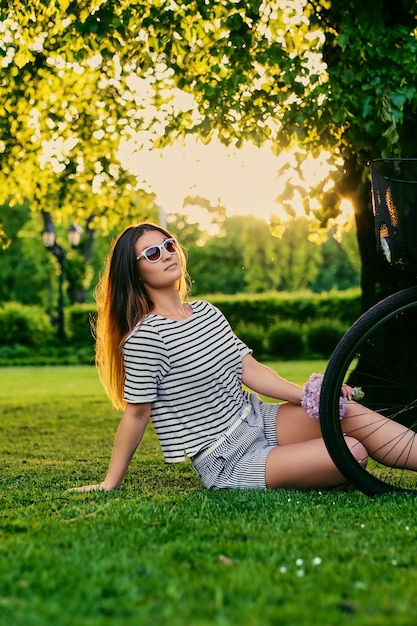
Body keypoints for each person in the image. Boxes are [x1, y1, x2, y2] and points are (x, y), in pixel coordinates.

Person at [70, 222, 417, 493]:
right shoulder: (145, 338)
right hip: (227, 457)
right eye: (152, 254)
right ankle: (314, 469)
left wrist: (312, 396)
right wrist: (110, 481)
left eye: (169, 246)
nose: (167, 255)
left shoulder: (206, 312)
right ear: (135, 272)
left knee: (346, 411)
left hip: (259, 421)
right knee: (352, 451)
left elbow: (247, 368)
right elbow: (137, 413)